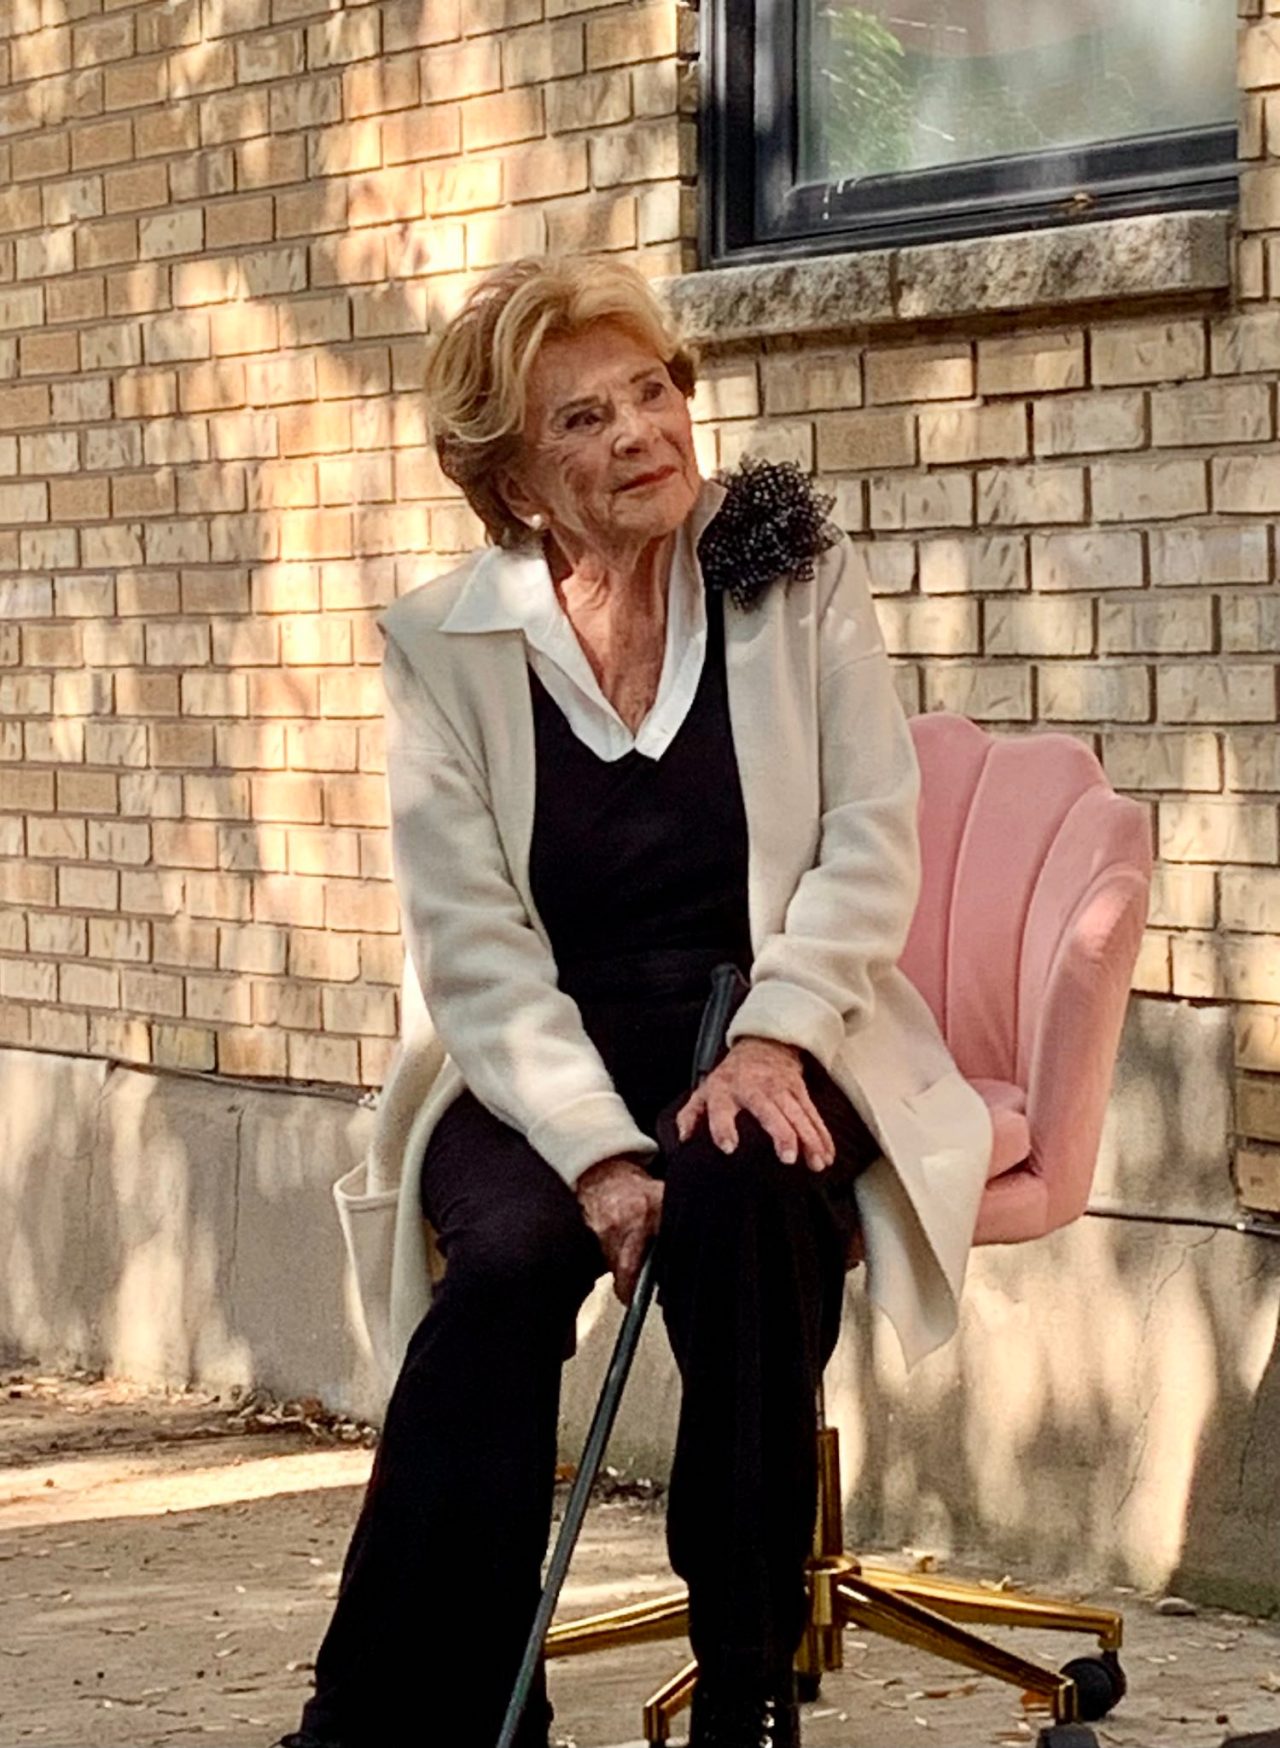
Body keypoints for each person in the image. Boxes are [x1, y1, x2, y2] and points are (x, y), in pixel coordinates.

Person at [276, 255, 991, 1748]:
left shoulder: (788, 570)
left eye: (654, 392)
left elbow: (872, 833)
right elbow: (471, 946)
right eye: (582, 421)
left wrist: (776, 1035)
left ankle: (747, 1691)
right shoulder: (446, 645)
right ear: (517, 482)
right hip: (529, 1057)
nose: (642, 435)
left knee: (743, 1203)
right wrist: (598, 1148)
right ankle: (420, 1708)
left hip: (773, 1022)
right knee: (510, 1266)